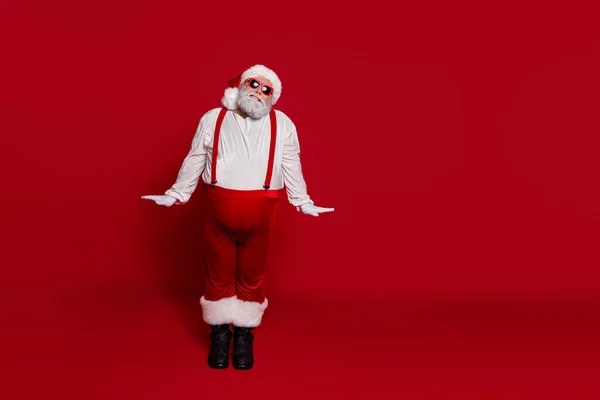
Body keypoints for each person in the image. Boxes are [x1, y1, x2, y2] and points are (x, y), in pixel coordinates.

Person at [142, 64, 334, 369]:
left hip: (261, 215)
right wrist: (177, 193)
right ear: (241, 85)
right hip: (217, 212)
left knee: (252, 274)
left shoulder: (282, 124)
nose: (258, 92)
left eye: (266, 89)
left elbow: (291, 162)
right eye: (254, 84)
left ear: (273, 98)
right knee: (217, 272)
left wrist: (302, 200)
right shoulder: (213, 118)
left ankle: (244, 335)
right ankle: (219, 335)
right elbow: (195, 157)